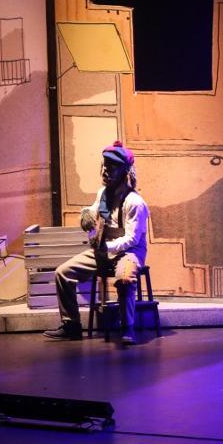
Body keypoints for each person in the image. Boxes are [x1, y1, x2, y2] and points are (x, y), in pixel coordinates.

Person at [45, 141, 149, 345]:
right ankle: (71, 325)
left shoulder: (135, 203)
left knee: (125, 279)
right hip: (104, 250)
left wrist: (106, 247)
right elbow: (95, 210)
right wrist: (86, 214)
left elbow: (132, 239)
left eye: (112, 166)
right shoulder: (103, 193)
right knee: (63, 273)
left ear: (124, 171)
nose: (106, 170)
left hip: (129, 252)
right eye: (105, 165)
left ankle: (127, 327)